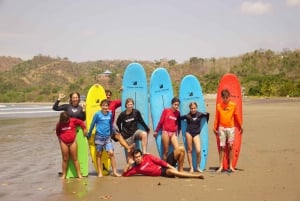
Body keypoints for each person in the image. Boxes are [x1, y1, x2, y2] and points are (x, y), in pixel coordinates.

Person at [87, 99, 121, 177]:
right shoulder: (97, 114)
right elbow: (92, 124)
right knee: (99, 154)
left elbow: (110, 125)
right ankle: (99, 172)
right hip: (99, 137)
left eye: (106, 106)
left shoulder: (110, 114)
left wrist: (115, 132)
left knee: (111, 153)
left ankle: (115, 172)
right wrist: (89, 134)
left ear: (108, 106)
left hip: (107, 137)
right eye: (103, 105)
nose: (105, 107)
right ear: (101, 106)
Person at [122, 149, 204, 179]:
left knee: (181, 150)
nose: (138, 158)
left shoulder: (148, 156)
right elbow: (125, 174)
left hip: (164, 165)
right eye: (136, 157)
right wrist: (128, 164)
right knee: (171, 172)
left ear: (141, 155)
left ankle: (180, 170)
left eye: (139, 156)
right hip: (162, 172)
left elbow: (160, 162)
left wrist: (171, 166)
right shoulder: (137, 169)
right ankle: (195, 176)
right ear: (134, 159)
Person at [213, 89, 243, 172]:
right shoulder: (219, 106)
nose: (226, 99)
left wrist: (240, 126)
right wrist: (214, 127)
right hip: (222, 128)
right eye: (224, 98)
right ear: (222, 97)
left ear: (229, 97)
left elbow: (237, 116)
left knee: (230, 146)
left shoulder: (233, 105)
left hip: (231, 128)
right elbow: (217, 118)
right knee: (222, 147)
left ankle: (230, 166)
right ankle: (221, 166)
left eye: (227, 97)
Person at [56, 111, 87, 179]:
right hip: (63, 142)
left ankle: (79, 174)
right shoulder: (59, 124)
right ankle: (64, 174)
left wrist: (84, 128)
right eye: (64, 121)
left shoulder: (73, 120)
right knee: (65, 159)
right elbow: (57, 133)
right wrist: (60, 141)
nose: (66, 122)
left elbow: (81, 122)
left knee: (75, 158)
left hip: (73, 142)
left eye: (67, 120)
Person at [181, 102, 210, 172]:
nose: (193, 110)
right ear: (190, 109)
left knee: (198, 151)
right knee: (189, 150)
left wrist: (206, 124)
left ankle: (197, 167)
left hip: (196, 134)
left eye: (194, 108)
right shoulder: (187, 116)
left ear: (196, 108)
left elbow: (207, 115)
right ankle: (191, 167)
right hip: (189, 133)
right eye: (191, 108)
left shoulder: (200, 114)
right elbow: (179, 118)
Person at [153, 97, 181, 162]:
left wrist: (178, 133)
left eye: (178, 105)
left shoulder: (178, 113)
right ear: (172, 104)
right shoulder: (166, 111)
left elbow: (178, 124)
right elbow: (161, 121)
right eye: (175, 104)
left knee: (178, 150)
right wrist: (156, 131)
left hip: (173, 133)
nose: (176, 106)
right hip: (165, 132)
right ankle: (165, 166)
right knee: (166, 151)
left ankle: (173, 163)